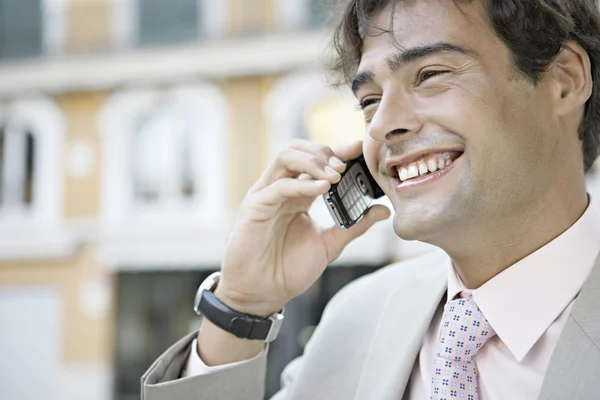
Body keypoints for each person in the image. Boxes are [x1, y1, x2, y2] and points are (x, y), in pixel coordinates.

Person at [142, 0, 600, 399]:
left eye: (430, 75)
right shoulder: (353, 318)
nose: (380, 125)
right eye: (369, 100)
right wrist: (240, 307)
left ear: (565, 79)